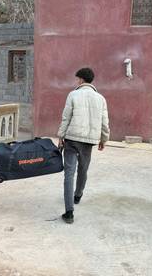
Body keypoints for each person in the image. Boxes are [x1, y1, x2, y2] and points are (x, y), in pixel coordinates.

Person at [57, 67, 110, 224]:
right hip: (88, 141)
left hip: (72, 138)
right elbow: (104, 122)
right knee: (83, 169)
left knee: (69, 173)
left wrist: (61, 136)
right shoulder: (100, 98)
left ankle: (69, 212)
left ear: (80, 79)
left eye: (77, 79)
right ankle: (78, 195)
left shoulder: (73, 95)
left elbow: (66, 117)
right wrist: (103, 139)